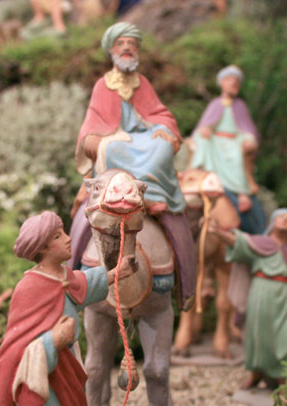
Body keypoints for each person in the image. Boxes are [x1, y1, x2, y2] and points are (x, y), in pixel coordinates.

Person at [69, 22, 196, 308]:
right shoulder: (103, 85)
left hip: (143, 138)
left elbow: (160, 114)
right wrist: (95, 137)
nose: (127, 48)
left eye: (132, 44)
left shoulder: (143, 83)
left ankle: (152, 195)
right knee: (111, 147)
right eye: (121, 44)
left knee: (162, 147)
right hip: (116, 139)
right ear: (112, 50)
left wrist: (163, 129)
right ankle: (119, 193)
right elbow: (92, 123)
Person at [0, 211, 135, 406]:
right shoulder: (29, 287)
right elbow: (15, 348)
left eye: (63, 233)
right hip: (43, 378)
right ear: (42, 248)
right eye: (57, 236)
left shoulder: (64, 277)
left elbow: (83, 284)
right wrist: (52, 341)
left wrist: (118, 272)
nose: (68, 238)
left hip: (68, 367)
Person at [209, 208, 287, 388]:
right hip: (262, 292)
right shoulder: (261, 243)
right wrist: (218, 232)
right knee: (259, 335)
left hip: (285, 296)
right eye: (281, 217)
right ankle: (256, 373)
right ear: (273, 222)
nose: (285, 220)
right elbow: (239, 242)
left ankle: (284, 374)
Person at [189, 64, 266, 234]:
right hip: (215, 143)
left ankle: (241, 192)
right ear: (222, 83)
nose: (234, 83)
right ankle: (200, 172)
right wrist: (205, 130)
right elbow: (203, 126)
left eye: (237, 81)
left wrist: (249, 139)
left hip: (234, 143)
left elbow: (248, 130)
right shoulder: (215, 104)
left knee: (237, 155)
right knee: (203, 139)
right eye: (230, 79)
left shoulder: (240, 106)